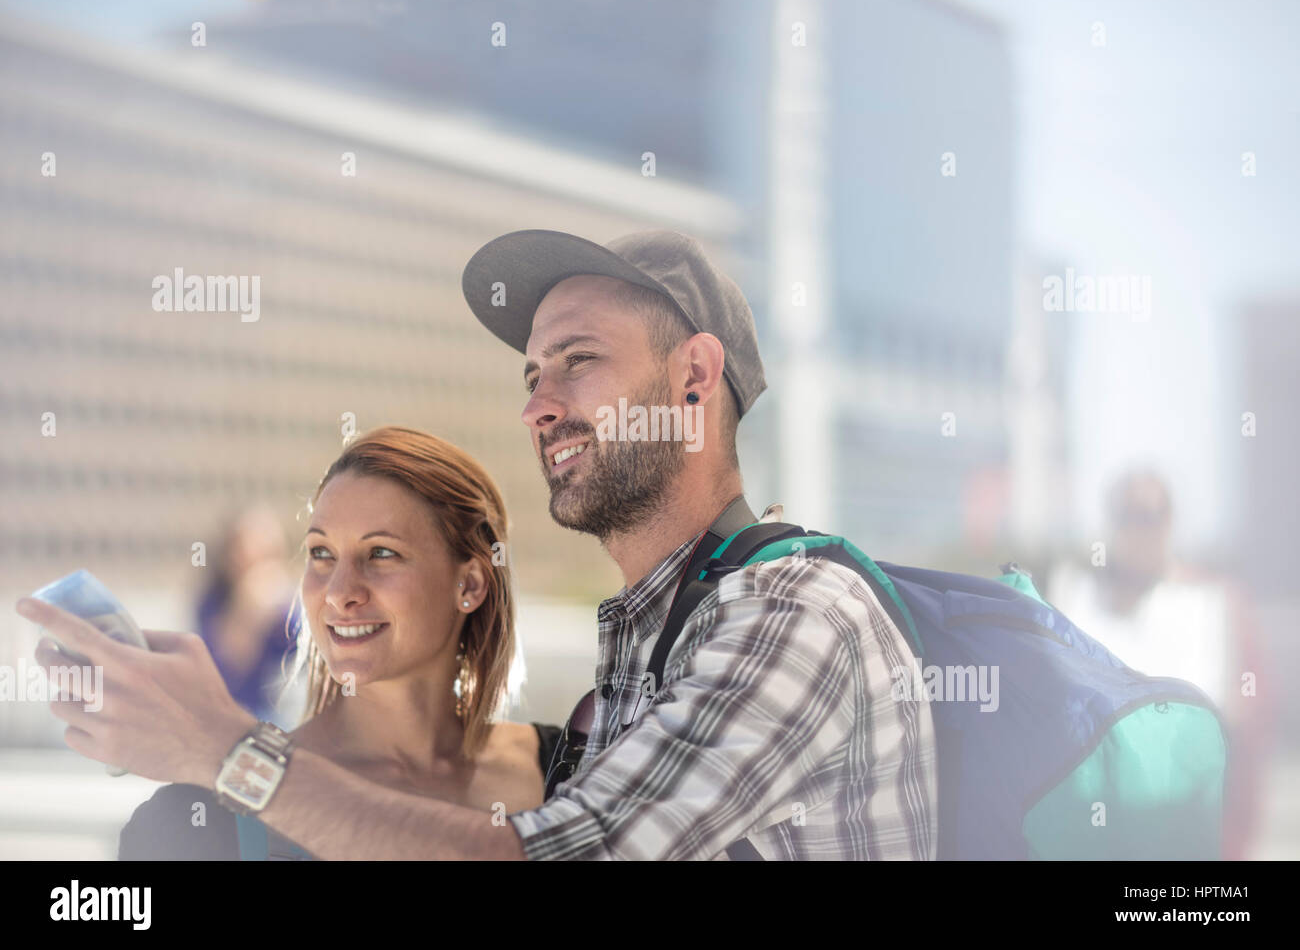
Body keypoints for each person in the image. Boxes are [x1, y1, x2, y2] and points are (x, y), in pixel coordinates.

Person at [23, 229, 936, 860]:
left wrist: (225, 750)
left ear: (693, 376)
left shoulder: (796, 618)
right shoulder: (647, 651)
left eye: (579, 360)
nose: (540, 403)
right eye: (534, 374)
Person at [116, 427, 562, 859]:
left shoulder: (571, 770)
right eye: (321, 553)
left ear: (469, 584)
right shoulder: (193, 823)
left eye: (382, 553)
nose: (338, 592)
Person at [1048, 468, 1274, 860]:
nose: (1142, 531)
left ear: (1169, 522)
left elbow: (1249, 724)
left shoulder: (1214, 605)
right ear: (1112, 522)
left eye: (1152, 516)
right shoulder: (1074, 599)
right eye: (1130, 516)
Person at [194, 504, 298, 727]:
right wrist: (247, 609)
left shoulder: (291, 608)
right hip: (225, 715)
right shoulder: (213, 602)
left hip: (276, 721)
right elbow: (231, 663)